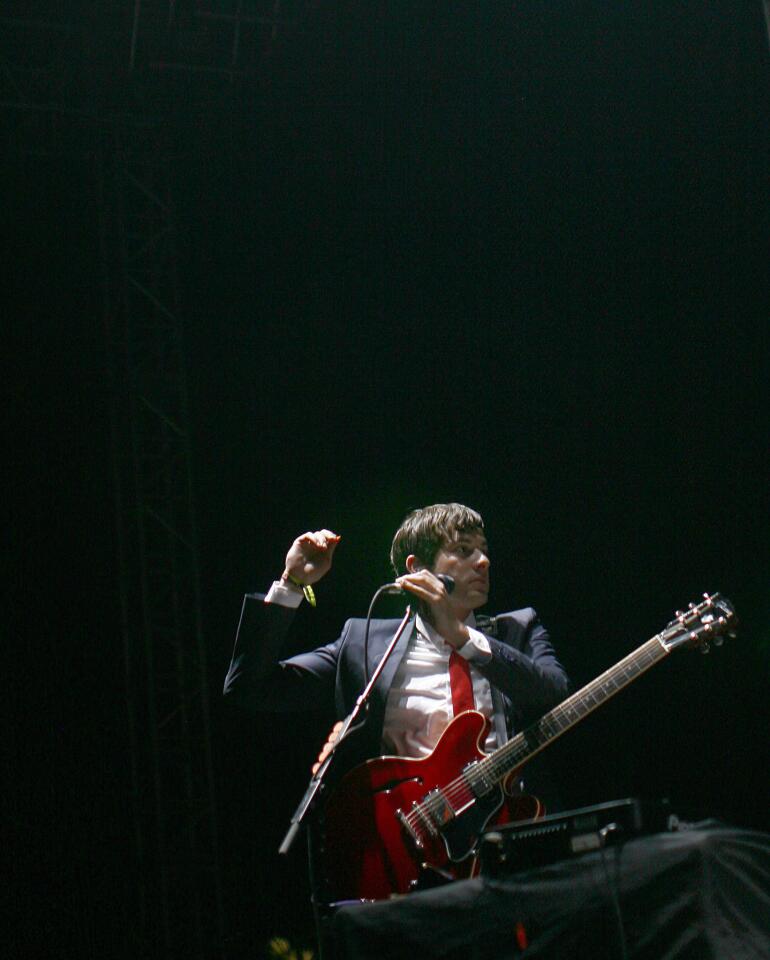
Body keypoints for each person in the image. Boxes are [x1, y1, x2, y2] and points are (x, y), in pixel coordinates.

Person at [223, 503, 569, 950]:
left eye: (484, 551)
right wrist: (291, 586)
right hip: (407, 856)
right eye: (463, 551)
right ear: (418, 568)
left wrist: (462, 638)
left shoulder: (516, 629)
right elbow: (251, 688)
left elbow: (554, 693)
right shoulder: (365, 642)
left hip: (507, 851)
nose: (482, 562)